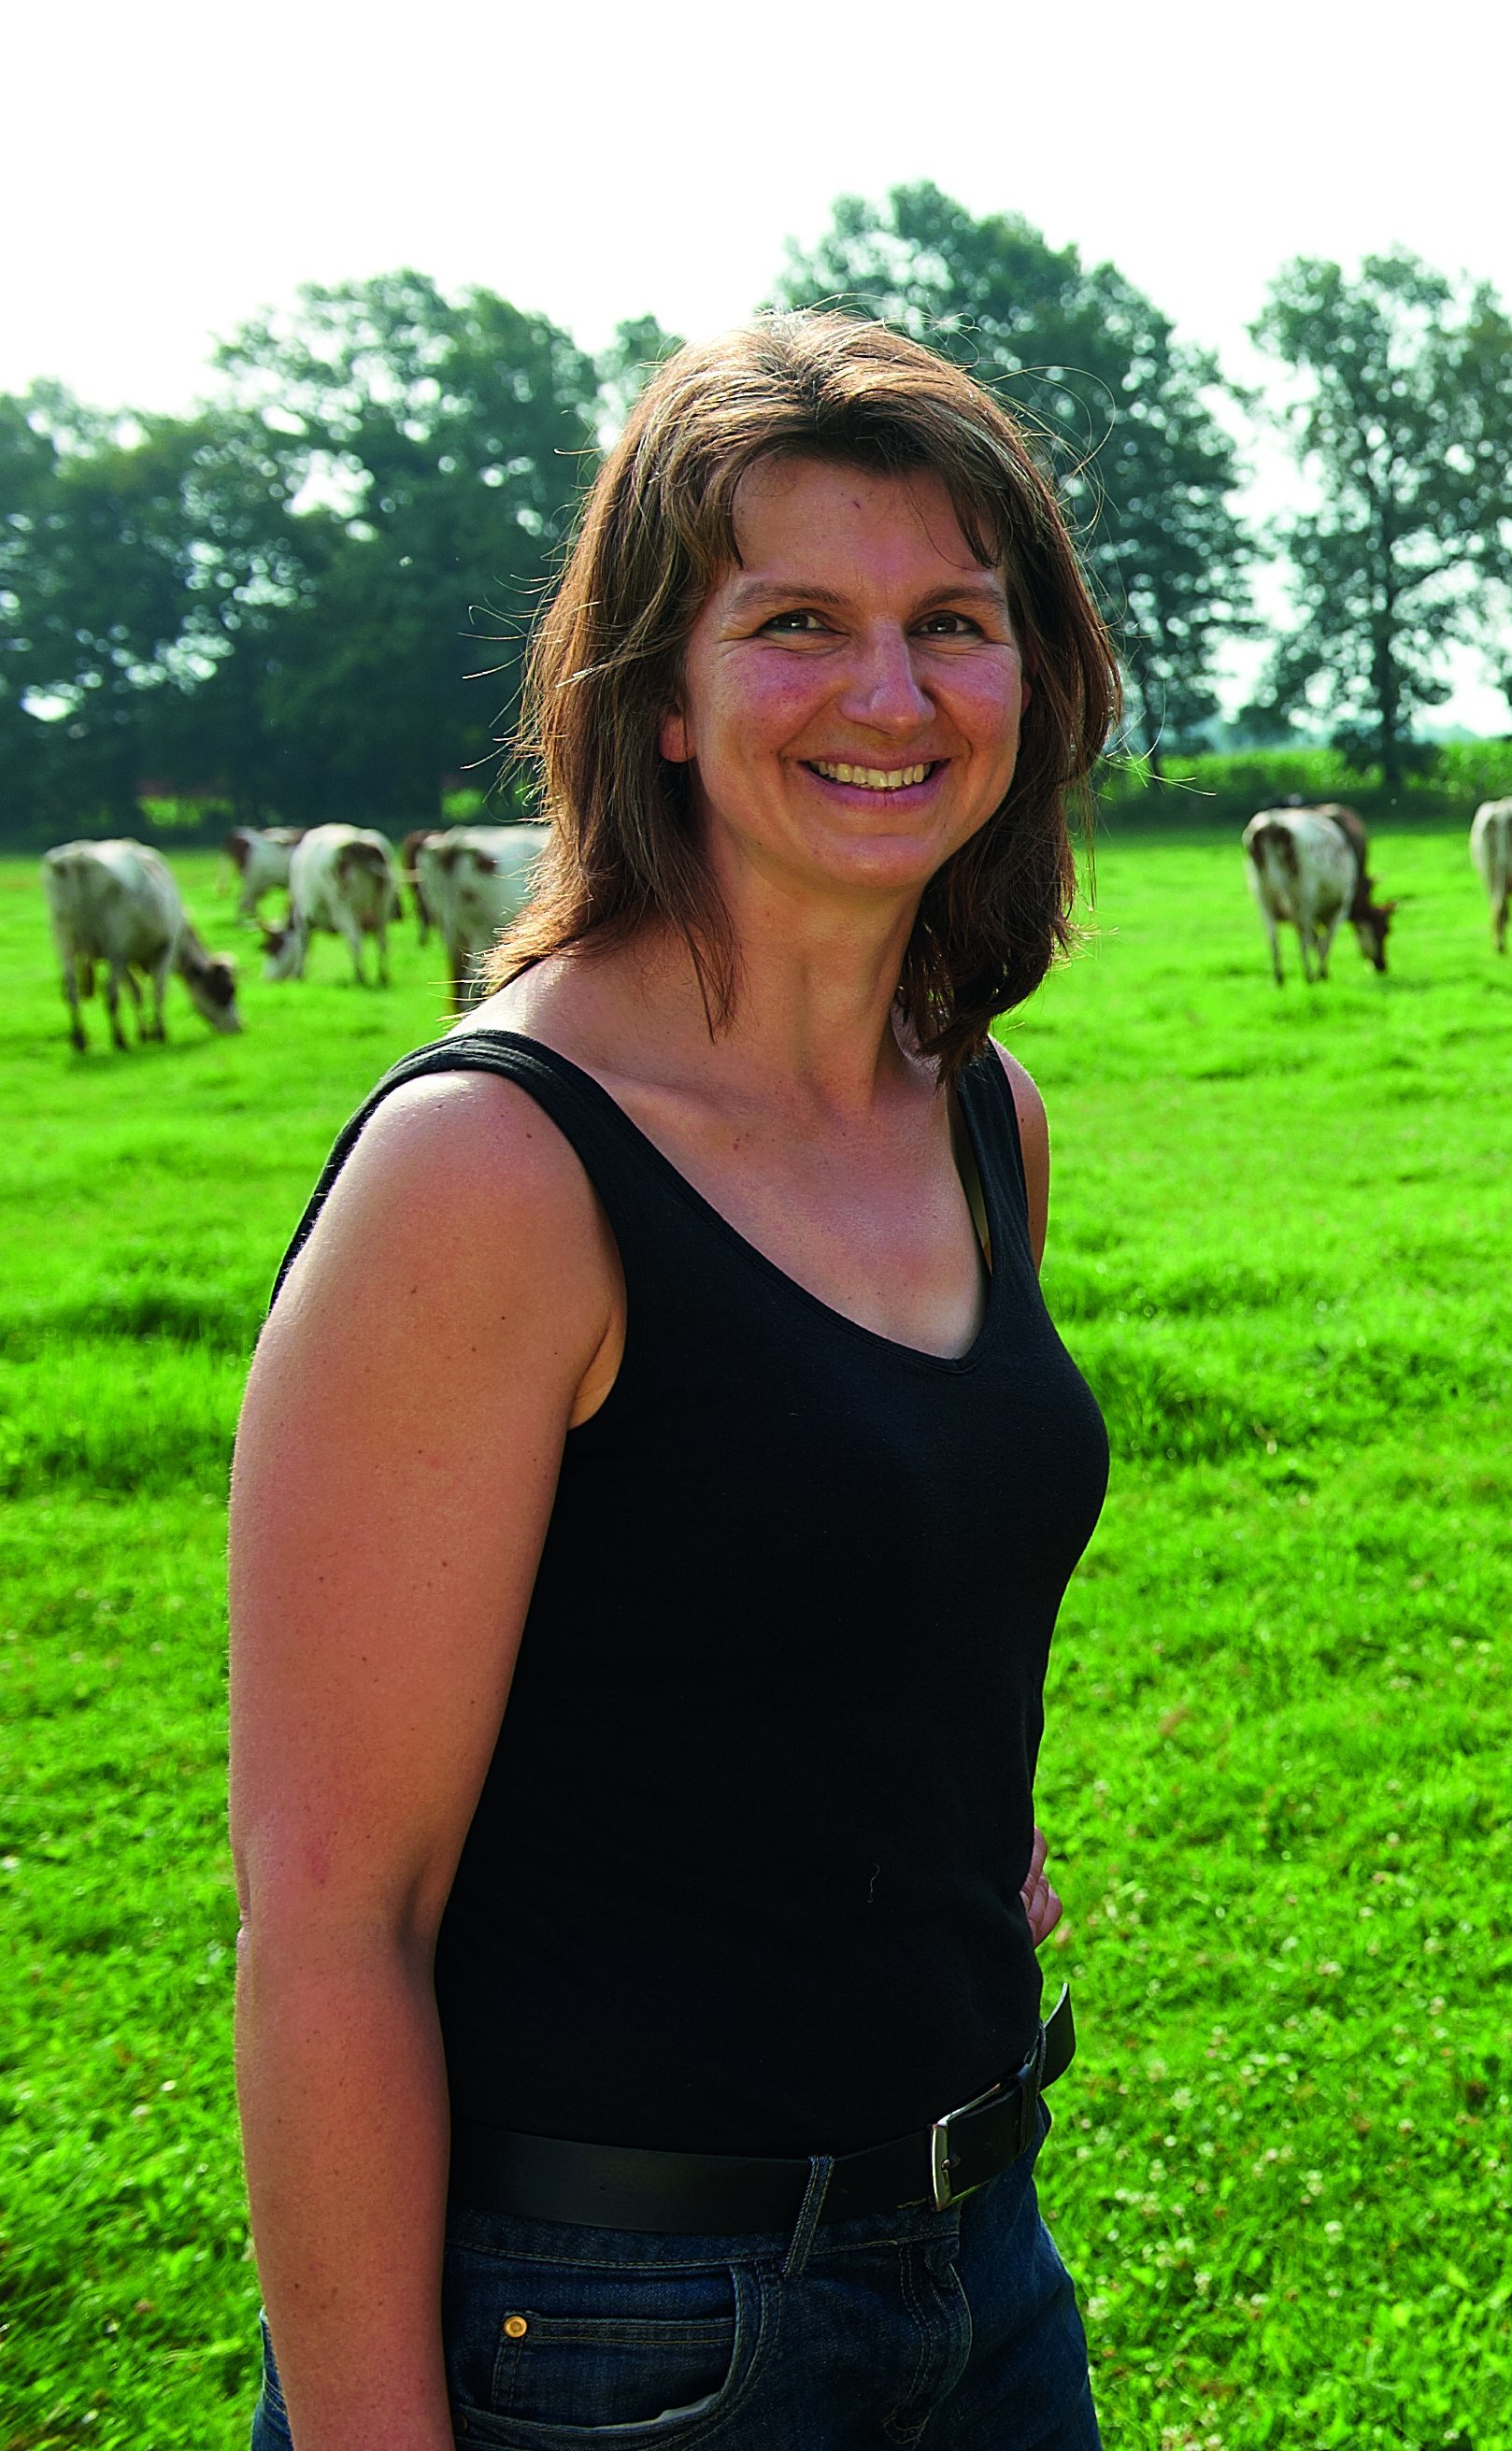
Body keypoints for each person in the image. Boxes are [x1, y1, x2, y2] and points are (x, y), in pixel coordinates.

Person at [230, 313, 1120, 2445]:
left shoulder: (981, 1117)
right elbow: (333, 1918)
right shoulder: (496, 1171)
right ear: (659, 699)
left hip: (978, 2268)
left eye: (956, 624)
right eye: (798, 622)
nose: (892, 695)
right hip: (606, 2332)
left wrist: (925, 1839)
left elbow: (861, 1590)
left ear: (1037, 678)